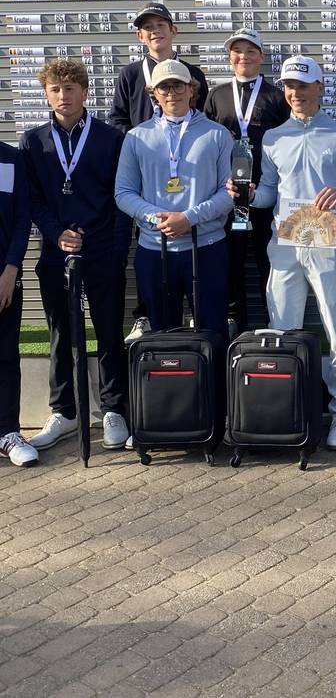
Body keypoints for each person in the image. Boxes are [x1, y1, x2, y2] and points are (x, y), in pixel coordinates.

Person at [238, 55, 336, 451]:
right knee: (282, 330)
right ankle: (287, 407)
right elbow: (266, 195)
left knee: (335, 325)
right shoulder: (273, 138)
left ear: (320, 88)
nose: (294, 93)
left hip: (328, 243)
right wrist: (245, 195)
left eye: (302, 85)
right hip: (285, 243)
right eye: (289, 86)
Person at [20, 59, 132, 452]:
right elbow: (32, 198)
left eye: (70, 89)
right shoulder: (33, 142)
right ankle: (65, 411)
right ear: (46, 94)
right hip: (54, 251)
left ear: (85, 92)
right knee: (60, 334)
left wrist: (117, 251)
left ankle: (114, 409)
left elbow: (120, 197)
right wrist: (56, 233)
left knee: (107, 332)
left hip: (101, 249)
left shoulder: (109, 138)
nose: (63, 96)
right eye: (55, 90)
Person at [109, 2, 210, 342]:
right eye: (147, 27)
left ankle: (203, 318)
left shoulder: (192, 74)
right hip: (147, 176)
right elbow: (118, 120)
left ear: (173, 30)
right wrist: (146, 145)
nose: (155, 31)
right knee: (150, 243)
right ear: (140, 36)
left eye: (161, 25)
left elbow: (203, 122)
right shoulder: (130, 74)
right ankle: (144, 315)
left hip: (191, 186)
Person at [115, 59, 232, 344]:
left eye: (178, 85)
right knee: (162, 338)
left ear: (191, 89)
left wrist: (189, 218)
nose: (172, 93)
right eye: (164, 87)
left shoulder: (217, 134)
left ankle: (212, 389)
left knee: (212, 334)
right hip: (155, 251)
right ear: (153, 92)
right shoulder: (136, 137)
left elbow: (230, 193)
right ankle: (170, 391)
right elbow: (123, 193)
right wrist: (159, 218)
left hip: (206, 247)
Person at [205, 27, 289, 334]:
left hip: (267, 194)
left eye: (251, 51)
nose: (244, 57)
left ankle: (275, 321)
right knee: (231, 262)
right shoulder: (216, 95)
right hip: (228, 195)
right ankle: (234, 323)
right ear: (229, 57)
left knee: (271, 261)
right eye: (237, 51)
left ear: (262, 57)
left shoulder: (277, 97)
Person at [0, 143, 36, 467]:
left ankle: (8, 432)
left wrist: (11, 268)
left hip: (4, 279)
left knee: (6, 357)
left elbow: (22, 218)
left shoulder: (11, 159)